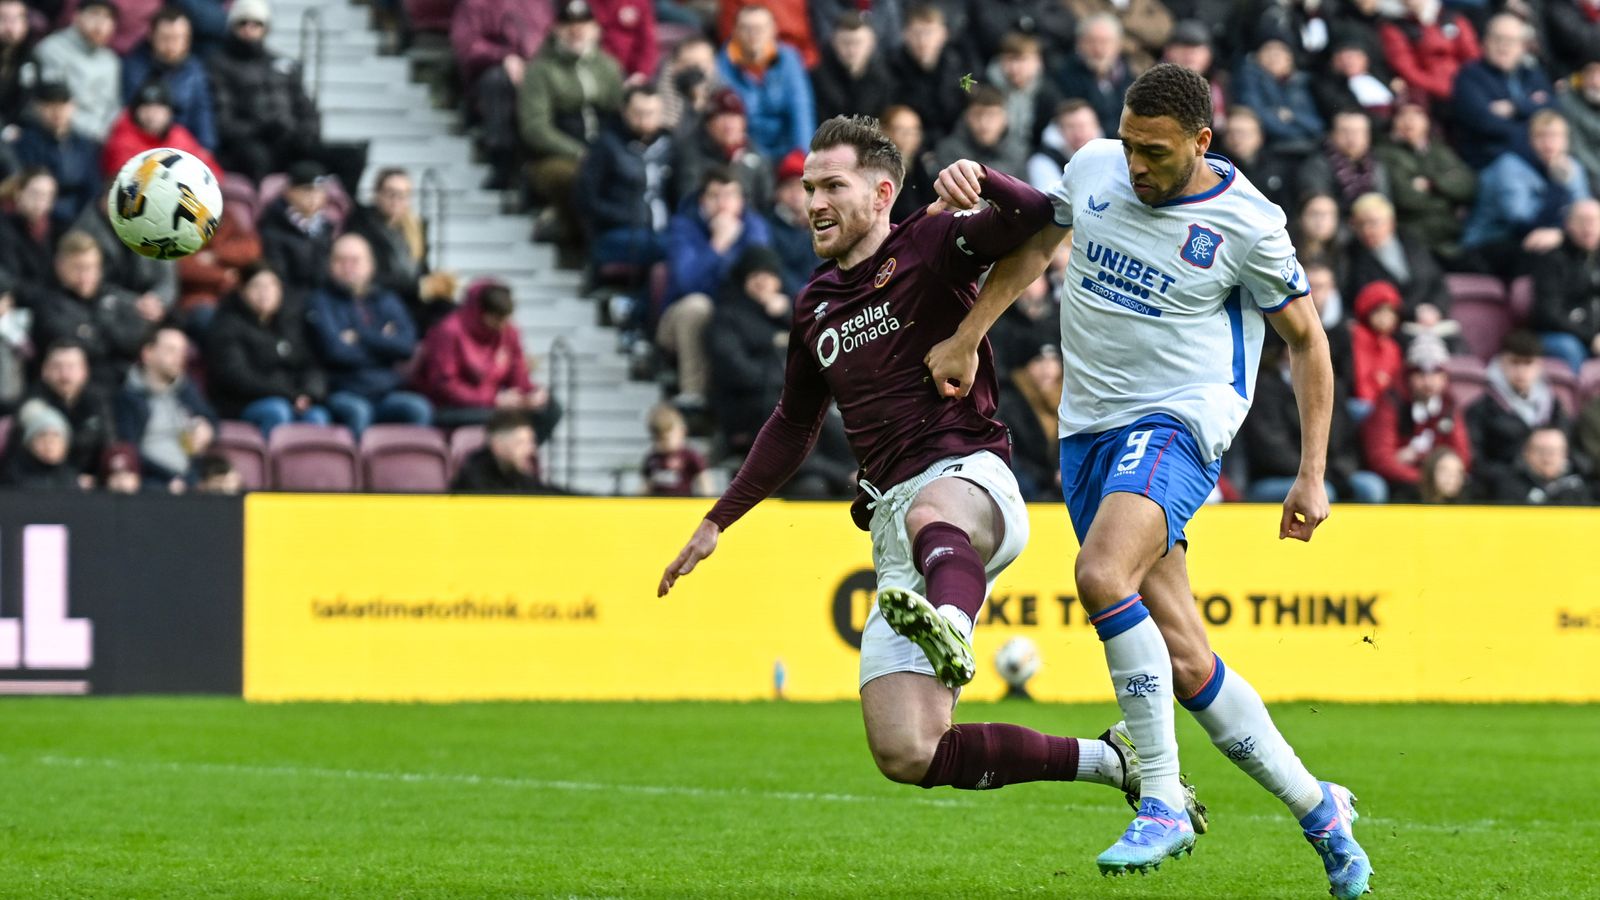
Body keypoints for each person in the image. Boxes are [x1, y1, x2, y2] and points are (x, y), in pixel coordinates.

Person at [660, 115, 1192, 850]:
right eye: (807, 187)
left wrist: (980, 176)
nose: (812, 200)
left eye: (831, 186)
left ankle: (952, 623)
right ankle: (1110, 760)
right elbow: (793, 424)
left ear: (882, 193)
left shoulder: (935, 242)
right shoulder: (815, 305)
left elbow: (1041, 216)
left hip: (970, 480)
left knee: (930, 513)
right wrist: (719, 519)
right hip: (895, 529)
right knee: (909, 751)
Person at [923, 65, 1369, 893]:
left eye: (1156, 153)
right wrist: (968, 334)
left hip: (1179, 424)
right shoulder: (1093, 166)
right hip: (1088, 432)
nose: (1136, 166)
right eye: (1130, 145)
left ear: (1202, 142)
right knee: (1188, 658)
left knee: (1099, 573)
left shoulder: (1249, 224)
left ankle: (1159, 795)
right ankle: (1321, 811)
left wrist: (1312, 473)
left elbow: (1308, 342)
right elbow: (1033, 250)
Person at [207, 0, 366, 189]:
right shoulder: (219, 66)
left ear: (266, 28)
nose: (250, 28)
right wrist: (261, 128)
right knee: (255, 159)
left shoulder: (284, 64)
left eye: (256, 23)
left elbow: (307, 109)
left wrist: (305, 132)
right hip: (251, 145)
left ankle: (349, 214)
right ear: (233, 26)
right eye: (243, 23)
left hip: (290, 142)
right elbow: (224, 122)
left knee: (351, 156)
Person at [660, 168, 772, 410]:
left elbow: (756, 279)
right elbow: (687, 284)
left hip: (732, 314)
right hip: (678, 319)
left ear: (741, 201)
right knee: (698, 306)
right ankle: (693, 394)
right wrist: (718, 245)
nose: (723, 204)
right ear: (702, 200)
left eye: (731, 195)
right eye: (715, 196)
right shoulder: (683, 227)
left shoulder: (754, 227)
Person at [519, 0, 625, 255]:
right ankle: (578, 239)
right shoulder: (541, 70)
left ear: (595, 30)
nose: (576, 32)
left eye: (583, 25)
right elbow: (535, 127)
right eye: (569, 26)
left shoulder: (608, 67)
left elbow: (619, 113)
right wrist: (578, 152)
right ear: (556, 30)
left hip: (601, 148)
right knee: (579, 178)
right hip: (555, 156)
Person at [305, 233, 432, 436]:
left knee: (418, 408)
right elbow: (336, 351)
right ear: (330, 265)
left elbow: (406, 346)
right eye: (341, 260)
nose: (348, 266)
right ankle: (354, 467)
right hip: (344, 391)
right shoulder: (320, 301)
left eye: (355, 260)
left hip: (387, 391)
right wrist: (384, 342)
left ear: (370, 264)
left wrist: (360, 336)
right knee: (358, 412)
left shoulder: (387, 299)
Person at [1243, 333, 1388, 502]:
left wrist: (1335, 472)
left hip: (1330, 473)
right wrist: (1314, 474)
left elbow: (1348, 443)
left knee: (1372, 487)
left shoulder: (1334, 388)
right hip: (1278, 476)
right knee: (1322, 492)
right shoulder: (1264, 389)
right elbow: (1272, 451)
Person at [414, 278, 561, 440]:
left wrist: (531, 393)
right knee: (503, 419)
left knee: (550, 409)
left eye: (506, 319)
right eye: (497, 319)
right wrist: (494, 399)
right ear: (481, 313)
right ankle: (492, 460)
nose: (503, 325)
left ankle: (520, 459)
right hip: (448, 407)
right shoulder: (449, 331)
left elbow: (517, 371)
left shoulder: (508, 331)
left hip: (493, 404)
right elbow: (445, 386)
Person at [204, 262, 330, 436]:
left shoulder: (291, 323)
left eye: (271, 285)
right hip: (243, 402)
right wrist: (289, 394)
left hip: (292, 398)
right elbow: (237, 376)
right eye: (257, 286)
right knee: (277, 412)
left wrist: (309, 393)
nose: (265, 292)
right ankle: (273, 463)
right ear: (242, 290)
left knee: (317, 415)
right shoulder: (227, 325)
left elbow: (311, 364)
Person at [27, 230, 152, 395]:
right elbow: (68, 343)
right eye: (78, 268)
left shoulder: (116, 297)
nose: (85, 275)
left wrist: (91, 330)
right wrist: (111, 334)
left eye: (91, 267)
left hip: (127, 384)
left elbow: (136, 340)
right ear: (60, 266)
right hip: (77, 391)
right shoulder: (47, 304)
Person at [450, 0, 554, 190]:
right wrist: (504, 56)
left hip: (539, 69)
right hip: (494, 73)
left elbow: (552, 38)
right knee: (498, 82)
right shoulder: (474, 4)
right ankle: (502, 162)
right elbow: (468, 45)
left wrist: (538, 67)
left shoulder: (540, 4)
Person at [1461, 110, 1593, 258]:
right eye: (1542, 136)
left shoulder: (1572, 168)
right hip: (1491, 242)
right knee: (1549, 251)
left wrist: (1560, 233)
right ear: (1530, 140)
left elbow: (1584, 212)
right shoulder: (1509, 167)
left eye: (1556, 136)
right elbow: (1522, 222)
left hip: (1544, 237)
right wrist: (1558, 188)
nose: (1549, 144)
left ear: (1566, 141)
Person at [344, 167, 455, 335]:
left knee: (451, 310)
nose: (396, 200)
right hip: (377, 299)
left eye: (403, 195)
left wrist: (437, 284)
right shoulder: (361, 225)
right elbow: (367, 277)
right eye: (391, 193)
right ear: (377, 194)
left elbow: (422, 270)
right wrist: (419, 287)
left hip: (411, 300)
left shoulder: (415, 227)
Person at [576, 84, 675, 269]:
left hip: (663, 229)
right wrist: (622, 216)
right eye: (638, 112)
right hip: (617, 231)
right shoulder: (606, 146)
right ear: (624, 111)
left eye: (651, 113)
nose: (644, 119)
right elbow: (586, 198)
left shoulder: (670, 146)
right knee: (673, 249)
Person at [1361, 335, 1473, 498]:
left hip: (1439, 480)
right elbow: (1381, 459)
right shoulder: (1391, 403)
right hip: (1400, 482)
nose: (1428, 382)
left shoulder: (1449, 405)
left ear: (1444, 377)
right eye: (1421, 374)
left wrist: (1440, 473)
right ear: (1408, 377)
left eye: (1435, 373)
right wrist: (1427, 478)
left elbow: (1462, 455)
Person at [113, 325, 219, 493]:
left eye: (182, 352)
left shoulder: (186, 390)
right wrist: (170, 478)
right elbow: (130, 451)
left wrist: (208, 428)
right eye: (171, 350)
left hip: (190, 478)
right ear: (148, 353)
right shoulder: (128, 397)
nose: (179, 358)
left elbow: (211, 418)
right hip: (151, 482)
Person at [706, 245, 790, 454]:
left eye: (769, 274)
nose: (762, 281)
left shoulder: (791, 314)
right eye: (755, 274)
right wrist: (784, 381)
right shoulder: (726, 316)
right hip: (747, 405)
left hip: (787, 399)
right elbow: (736, 370)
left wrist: (788, 315)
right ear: (744, 278)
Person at [1375, 100, 1476, 262]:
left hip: (1452, 236)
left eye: (1417, 114)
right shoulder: (1384, 154)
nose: (1409, 120)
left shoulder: (1441, 151)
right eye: (1402, 115)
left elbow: (1468, 186)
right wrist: (1446, 196)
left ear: (1427, 121)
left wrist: (1433, 183)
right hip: (1414, 238)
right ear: (1393, 121)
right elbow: (1406, 198)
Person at [1450, 14, 1553, 171]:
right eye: (1497, 38)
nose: (1504, 46)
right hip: (1494, 161)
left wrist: (1516, 107)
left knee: (1573, 169)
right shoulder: (1469, 76)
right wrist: (1532, 112)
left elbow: (1553, 108)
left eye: (1511, 41)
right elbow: (1486, 122)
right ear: (1484, 42)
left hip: (1539, 156)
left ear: (1523, 47)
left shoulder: (1531, 73)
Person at [1466, 330, 1572, 481]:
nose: (1521, 371)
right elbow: (1476, 461)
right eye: (1515, 362)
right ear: (1502, 363)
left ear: (1539, 366)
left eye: (1528, 363)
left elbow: (1568, 451)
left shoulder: (1555, 407)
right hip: (1503, 489)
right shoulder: (1481, 409)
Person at [714, 4, 815, 160]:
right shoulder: (722, 65)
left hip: (786, 151)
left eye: (760, 28)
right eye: (746, 28)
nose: (753, 35)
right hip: (745, 154)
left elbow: (801, 111)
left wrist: (803, 157)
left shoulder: (789, 59)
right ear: (734, 31)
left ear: (773, 30)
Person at [1345, 192, 1450, 329]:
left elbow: (1437, 281)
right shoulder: (1353, 256)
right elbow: (1367, 301)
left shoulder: (1410, 242)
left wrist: (1436, 309)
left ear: (1391, 222)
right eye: (1360, 224)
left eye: (1373, 222)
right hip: (1389, 330)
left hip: (1432, 322)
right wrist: (1414, 313)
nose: (1366, 230)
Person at [15, 340, 114, 485]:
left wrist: (99, 479)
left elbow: (109, 444)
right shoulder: (32, 404)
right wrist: (72, 481)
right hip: (44, 486)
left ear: (84, 371)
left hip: (92, 484)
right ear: (45, 370)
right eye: (57, 367)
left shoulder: (97, 401)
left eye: (71, 367)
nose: (65, 375)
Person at [118, 5, 216, 151]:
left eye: (178, 38)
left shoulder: (194, 70)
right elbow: (130, 113)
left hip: (187, 148)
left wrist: (205, 149)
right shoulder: (134, 66)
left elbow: (202, 114)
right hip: (144, 146)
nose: (171, 45)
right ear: (151, 35)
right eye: (165, 38)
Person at [10, 83, 102, 230]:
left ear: (73, 106)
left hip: (80, 218)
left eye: (63, 104)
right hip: (42, 217)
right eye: (50, 105)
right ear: (38, 107)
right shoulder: (26, 142)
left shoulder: (84, 144)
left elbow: (92, 186)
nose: (57, 111)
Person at [669, 88, 773, 216]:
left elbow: (766, 206)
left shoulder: (755, 155)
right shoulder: (690, 153)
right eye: (722, 116)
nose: (729, 124)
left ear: (744, 122)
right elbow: (687, 201)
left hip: (746, 230)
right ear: (708, 123)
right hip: (699, 228)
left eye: (734, 116)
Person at [1529, 198, 1600, 373]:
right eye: (1583, 221)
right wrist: (1591, 338)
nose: (1589, 227)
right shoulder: (1553, 260)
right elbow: (1548, 314)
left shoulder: (1595, 259)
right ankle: (1573, 399)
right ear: (1568, 225)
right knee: (1568, 348)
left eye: (1595, 221)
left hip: (1593, 334)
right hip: (1559, 335)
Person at [33, 0, 120, 140]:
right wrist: (96, 132)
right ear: (76, 17)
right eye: (94, 14)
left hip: (103, 138)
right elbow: (54, 105)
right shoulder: (52, 49)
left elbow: (113, 107)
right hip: (61, 135)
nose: (100, 23)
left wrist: (107, 134)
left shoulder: (111, 60)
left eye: (107, 17)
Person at [100, 79, 219, 181]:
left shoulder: (179, 134)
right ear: (135, 112)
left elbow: (208, 166)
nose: (152, 115)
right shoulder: (123, 137)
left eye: (158, 109)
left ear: (169, 112)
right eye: (146, 108)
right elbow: (126, 179)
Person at [887, 5, 967, 146]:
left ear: (944, 34)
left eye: (929, 33)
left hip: (954, 142)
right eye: (917, 33)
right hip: (906, 144)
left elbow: (968, 101)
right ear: (905, 34)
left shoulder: (960, 67)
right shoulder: (891, 68)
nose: (923, 41)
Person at [1377, 0, 1480, 107]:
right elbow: (1408, 70)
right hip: (1428, 97)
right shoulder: (1394, 28)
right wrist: (1447, 89)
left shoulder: (1453, 18)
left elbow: (1472, 56)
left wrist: (1469, 86)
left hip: (1464, 88)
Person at [257, 161, 336, 296]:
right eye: (307, 190)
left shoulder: (326, 227)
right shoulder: (273, 225)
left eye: (319, 190)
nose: (314, 196)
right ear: (289, 191)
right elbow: (280, 275)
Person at [1232, 36, 1322, 153]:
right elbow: (1258, 115)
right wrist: (1298, 129)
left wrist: (1291, 115)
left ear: (1290, 59)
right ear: (1257, 58)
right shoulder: (1249, 79)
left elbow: (1316, 125)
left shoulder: (1303, 83)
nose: (1273, 58)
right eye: (1268, 52)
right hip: (1271, 147)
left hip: (1308, 147)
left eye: (1278, 54)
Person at [1053, 14, 1136, 139]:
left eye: (1105, 42)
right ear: (1079, 43)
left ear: (1118, 45)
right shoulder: (1063, 76)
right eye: (1091, 41)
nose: (1098, 49)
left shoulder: (1131, 78)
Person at [811, 11, 893, 123]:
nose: (852, 50)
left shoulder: (884, 78)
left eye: (858, 43)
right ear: (834, 42)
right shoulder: (817, 78)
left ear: (871, 44)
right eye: (845, 43)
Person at [1299, 110, 1390, 212]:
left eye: (1358, 132)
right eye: (1345, 131)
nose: (1352, 138)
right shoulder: (1317, 165)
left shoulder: (1376, 163)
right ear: (1332, 134)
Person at [933, 85, 1027, 177]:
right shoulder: (948, 150)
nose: (984, 123)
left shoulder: (1018, 151)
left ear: (1005, 119)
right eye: (977, 114)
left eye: (992, 115)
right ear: (967, 116)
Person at [450, 409, 551, 493]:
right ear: (497, 446)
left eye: (530, 442)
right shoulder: (474, 481)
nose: (531, 450)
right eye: (521, 443)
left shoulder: (519, 475)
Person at [764, 151, 820, 293]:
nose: (795, 193)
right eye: (789, 186)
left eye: (802, 186)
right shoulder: (768, 227)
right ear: (777, 192)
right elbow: (778, 268)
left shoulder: (823, 221)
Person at [0, 167, 66, 287]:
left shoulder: (55, 228)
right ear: (18, 192)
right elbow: (12, 277)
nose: (41, 202)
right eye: (35, 194)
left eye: (48, 196)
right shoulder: (5, 226)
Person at [1491, 426, 1591, 504]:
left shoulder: (1579, 488)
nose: (1547, 457)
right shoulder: (1507, 487)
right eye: (1540, 450)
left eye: (1553, 451)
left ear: (1565, 454)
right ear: (1526, 452)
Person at [0, 399, 81, 490]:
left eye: (56, 436)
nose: (49, 443)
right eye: (42, 436)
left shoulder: (71, 478)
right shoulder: (12, 477)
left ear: (65, 445)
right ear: (29, 444)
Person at [1027, 99, 1103, 192]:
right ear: (1059, 130)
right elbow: (1049, 198)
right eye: (1071, 126)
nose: (1078, 133)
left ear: (1096, 127)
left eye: (1083, 126)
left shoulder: (1111, 156)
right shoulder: (1043, 161)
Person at [880, 103, 937, 223]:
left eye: (914, 131)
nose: (909, 137)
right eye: (902, 130)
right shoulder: (877, 167)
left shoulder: (923, 164)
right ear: (885, 130)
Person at [1349, 280, 1404, 405]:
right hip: (1360, 405)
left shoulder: (1392, 347)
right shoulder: (1357, 336)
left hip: (1384, 406)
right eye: (1379, 310)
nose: (1386, 317)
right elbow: (1360, 381)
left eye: (1391, 311)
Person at [642, 402, 711, 496]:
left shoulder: (689, 456)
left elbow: (704, 481)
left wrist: (708, 502)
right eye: (657, 440)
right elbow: (646, 485)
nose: (661, 444)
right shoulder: (653, 457)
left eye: (665, 439)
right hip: (657, 507)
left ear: (681, 432)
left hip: (682, 507)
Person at [1559, 55, 1600, 190]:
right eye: (1590, 74)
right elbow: (1577, 149)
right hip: (1587, 176)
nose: (1595, 82)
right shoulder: (1568, 102)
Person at [0, 0, 35, 126]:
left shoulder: (30, 58)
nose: (9, 27)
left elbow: (27, 101)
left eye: (16, 19)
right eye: (2, 19)